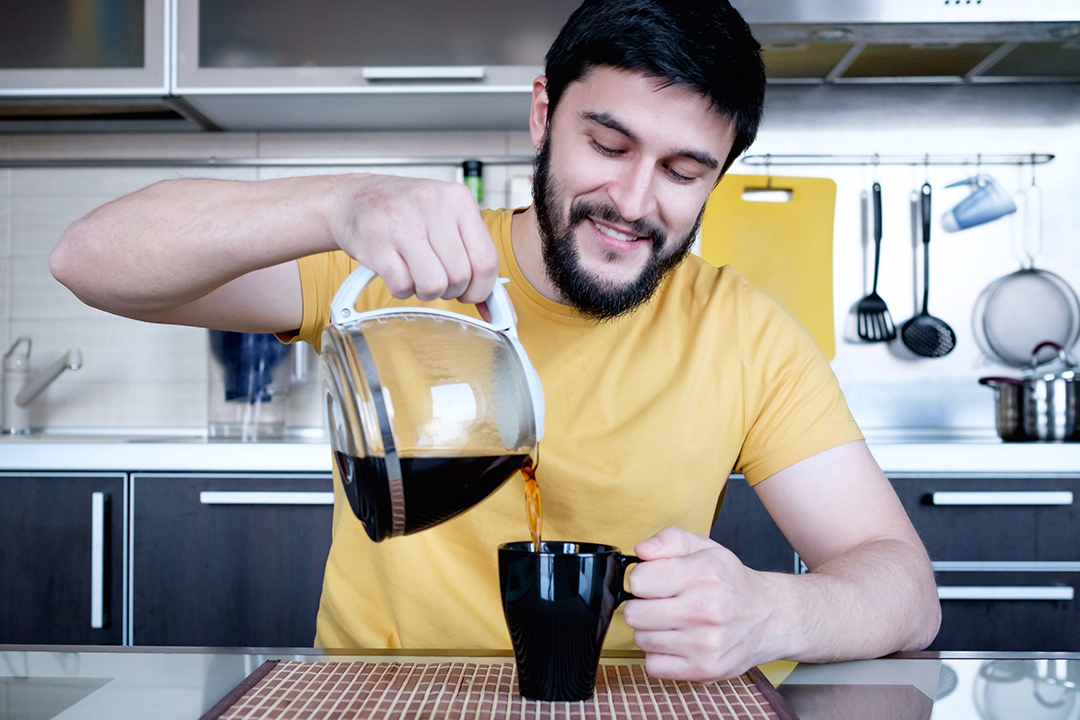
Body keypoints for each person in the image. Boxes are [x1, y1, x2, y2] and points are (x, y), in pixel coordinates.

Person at [50, 0, 940, 683]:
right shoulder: (386, 268)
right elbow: (86, 260)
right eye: (607, 142)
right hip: (377, 697)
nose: (633, 202)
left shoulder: (742, 332)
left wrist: (778, 612)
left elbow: (904, 587)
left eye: (680, 171)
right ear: (543, 115)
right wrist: (334, 204)